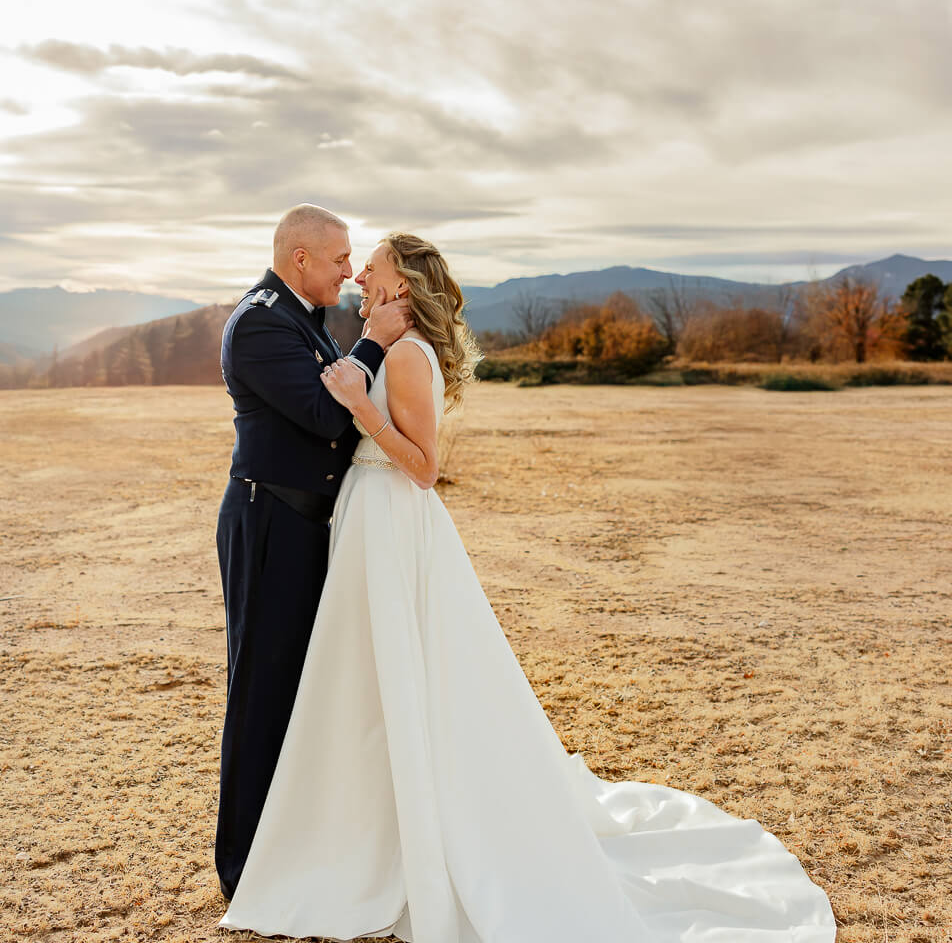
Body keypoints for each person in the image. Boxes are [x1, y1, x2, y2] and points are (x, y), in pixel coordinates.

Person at [220, 233, 837, 942]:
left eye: (373, 265)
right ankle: (365, 831)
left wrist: (363, 408)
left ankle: (406, 843)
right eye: (352, 263)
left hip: (392, 518)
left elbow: (422, 467)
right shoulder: (375, 342)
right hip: (362, 524)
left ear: (402, 284)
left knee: (403, 678)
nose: (359, 272)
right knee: (365, 686)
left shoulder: (411, 355)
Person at [214, 204, 413, 900]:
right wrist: (378, 341)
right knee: (261, 689)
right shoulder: (264, 321)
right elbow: (329, 412)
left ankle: (295, 844)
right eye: (338, 259)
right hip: (270, 521)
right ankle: (242, 868)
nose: (349, 270)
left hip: (306, 525)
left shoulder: (304, 316)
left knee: (303, 690)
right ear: (300, 258)